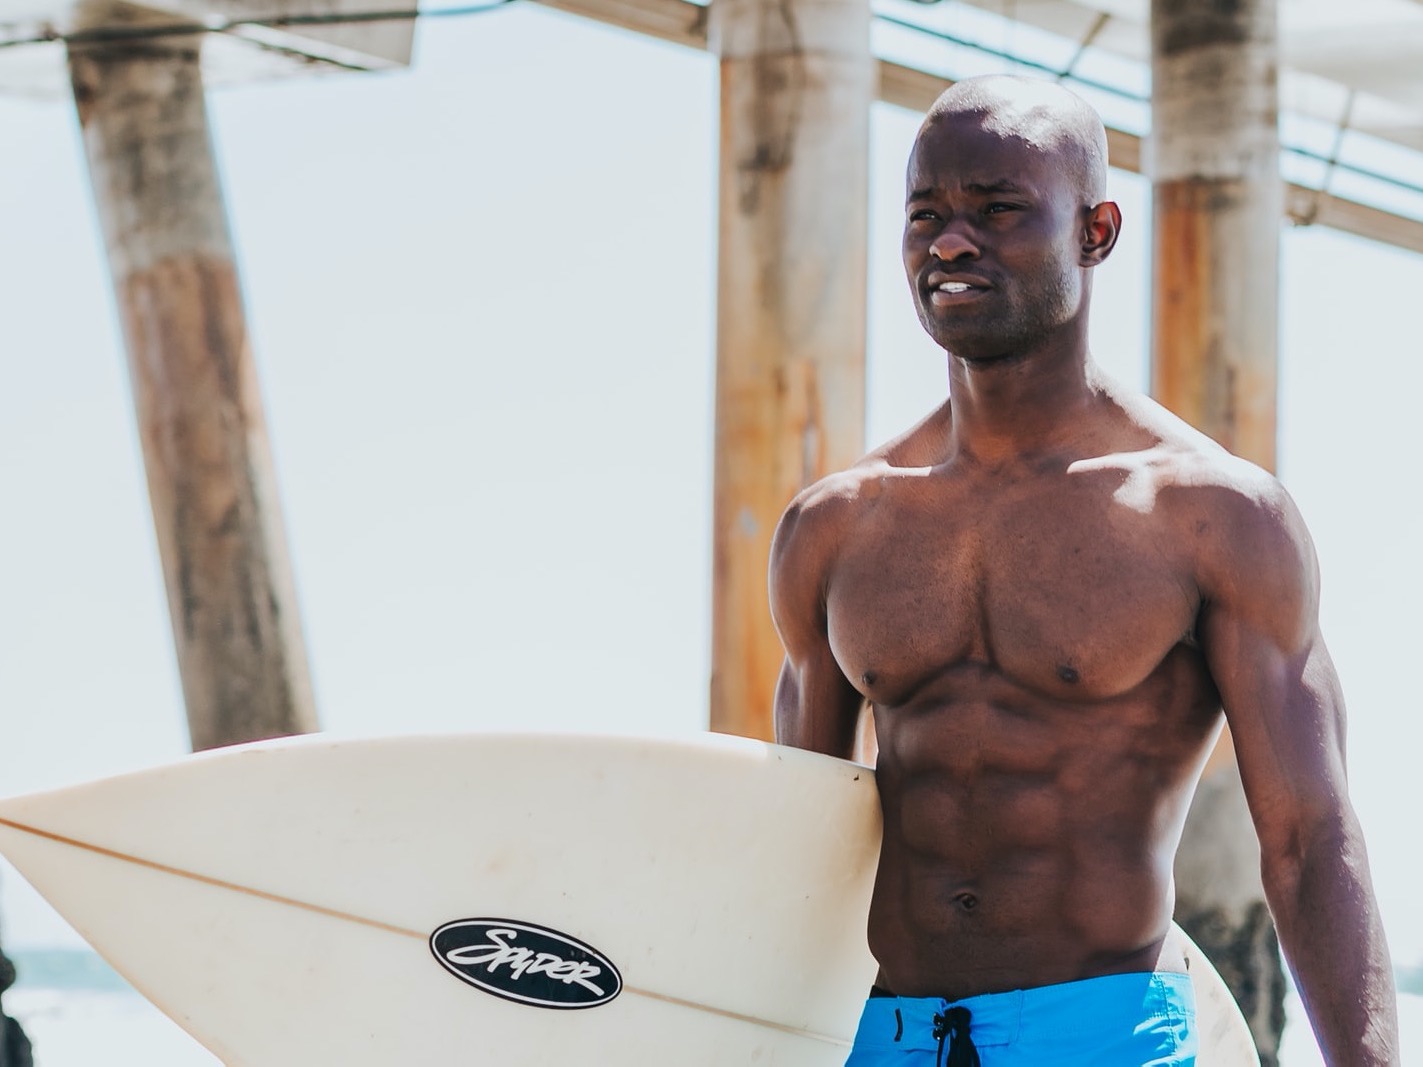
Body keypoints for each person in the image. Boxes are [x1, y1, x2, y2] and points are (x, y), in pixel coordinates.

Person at [769, 75, 1399, 1066]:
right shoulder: (836, 526)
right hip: (887, 1039)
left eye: (997, 209)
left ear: (1095, 232)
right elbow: (797, 840)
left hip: (1102, 1036)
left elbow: (1308, 836)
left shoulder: (1210, 516)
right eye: (925, 215)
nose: (949, 243)